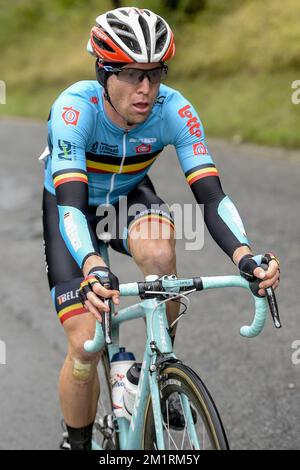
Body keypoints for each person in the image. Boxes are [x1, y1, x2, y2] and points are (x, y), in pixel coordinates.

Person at [41, 7, 280, 450]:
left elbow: (211, 198)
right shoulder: (74, 109)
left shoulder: (176, 109)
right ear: (103, 71)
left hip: (129, 197)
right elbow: (72, 207)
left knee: (160, 254)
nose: (146, 89)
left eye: (155, 74)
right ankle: (77, 442)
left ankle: (156, 363)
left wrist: (245, 255)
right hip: (72, 208)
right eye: (132, 74)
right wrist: (93, 263)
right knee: (85, 346)